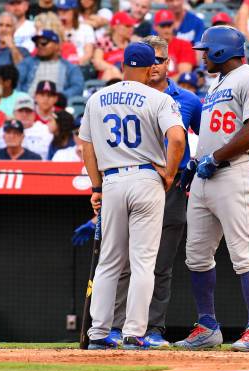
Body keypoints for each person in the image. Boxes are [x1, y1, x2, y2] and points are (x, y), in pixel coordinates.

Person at [81, 42, 186, 350]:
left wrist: (96, 187)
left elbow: (86, 146)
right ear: (148, 67)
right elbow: (177, 138)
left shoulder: (97, 98)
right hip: (146, 177)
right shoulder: (158, 97)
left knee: (110, 261)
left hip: (112, 179)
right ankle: (134, 332)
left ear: (124, 64)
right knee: (143, 261)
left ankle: (98, 332)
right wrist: (169, 173)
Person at [100, 36, 202, 348]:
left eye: (161, 59)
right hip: (128, 180)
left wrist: (186, 171)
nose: (155, 65)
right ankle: (117, 327)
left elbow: (204, 138)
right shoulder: (118, 98)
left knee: (160, 264)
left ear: (168, 63)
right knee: (122, 262)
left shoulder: (188, 101)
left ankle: (152, 329)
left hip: (169, 187)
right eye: (150, 59)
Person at [174, 26, 249, 352]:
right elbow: (215, 131)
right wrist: (198, 159)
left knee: (243, 254)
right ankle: (208, 325)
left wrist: (214, 157)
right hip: (205, 176)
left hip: (234, 173)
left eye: (206, 50)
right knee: (197, 256)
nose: (202, 56)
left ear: (219, 51)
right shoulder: (216, 85)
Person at [17, 29, 85, 99]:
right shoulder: (27, 63)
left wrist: (57, 98)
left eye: (44, 43)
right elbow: (16, 82)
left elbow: (78, 87)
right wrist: (22, 97)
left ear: (56, 45)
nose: (40, 46)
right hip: (28, 105)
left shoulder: (70, 67)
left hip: (57, 106)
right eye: (37, 44)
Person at [0, 95, 54, 159]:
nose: (24, 114)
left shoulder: (45, 131)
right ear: (14, 113)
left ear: (34, 114)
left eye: (28, 111)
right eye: (21, 111)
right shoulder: (2, 131)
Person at [153, 10, 196, 80]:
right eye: (163, 26)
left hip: (175, 89)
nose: (166, 30)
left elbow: (183, 75)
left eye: (169, 25)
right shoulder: (148, 47)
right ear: (155, 27)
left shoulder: (185, 45)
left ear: (174, 25)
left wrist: (162, 86)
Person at [92, 12, 136, 81]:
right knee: (109, 72)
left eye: (132, 26)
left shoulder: (132, 45)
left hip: (126, 77)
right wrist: (113, 68)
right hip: (107, 77)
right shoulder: (104, 42)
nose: (131, 29)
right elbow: (97, 62)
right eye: (127, 26)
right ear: (116, 26)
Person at [56, 0, 95, 66]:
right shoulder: (54, 29)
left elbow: (88, 53)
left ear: (74, 11)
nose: (62, 13)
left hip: (80, 65)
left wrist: (75, 65)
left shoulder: (86, 28)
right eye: (60, 10)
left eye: (66, 10)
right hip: (59, 66)